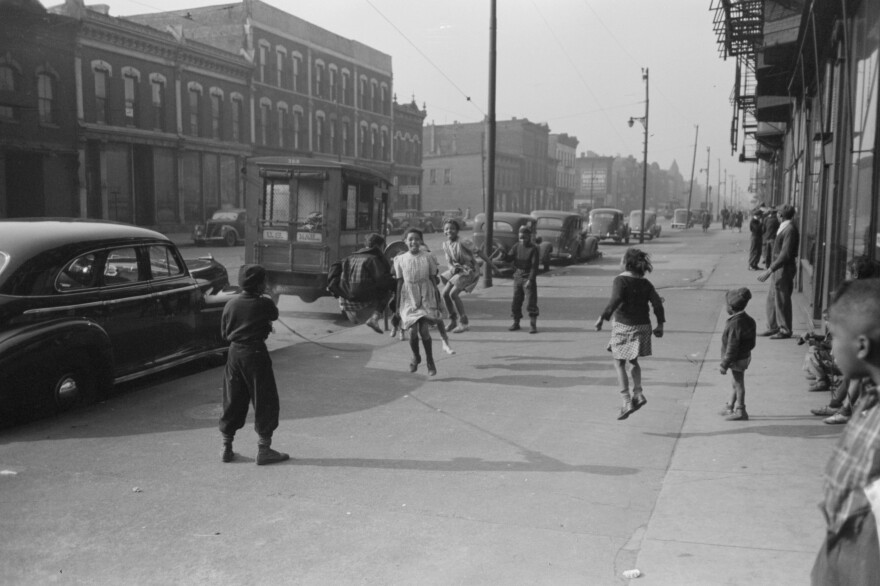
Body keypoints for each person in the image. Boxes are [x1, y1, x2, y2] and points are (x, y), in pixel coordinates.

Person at [811, 278, 880, 585]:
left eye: (835, 336)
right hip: (842, 552)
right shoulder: (868, 395)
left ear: (861, 346)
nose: (831, 346)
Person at [218, 264, 289, 465]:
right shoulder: (264, 303)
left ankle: (226, 446)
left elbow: (224, 334)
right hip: (255, 353)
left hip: (234, 354)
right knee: (264, 398)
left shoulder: (230, 304)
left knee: (233, 398)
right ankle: (264, 449)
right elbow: (274, 315)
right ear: (259, 284)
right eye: (264, 281)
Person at [595, 248, 665, 420]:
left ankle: (626, 401)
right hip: (643, 327)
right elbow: (657, 304)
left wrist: (602, 317)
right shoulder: (646, 283)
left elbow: (615, 300)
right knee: (633, 361)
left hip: (624, 326)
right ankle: (638, 393)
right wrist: (660, 324)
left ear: (626, 263)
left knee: (619, 363)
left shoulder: (620, 280)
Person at [393, 228, 451, 375]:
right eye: (410, 239)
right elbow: (399, 282)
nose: (414, 242)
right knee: (412, 331)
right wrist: (397, 307)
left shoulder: (428, 257)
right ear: (405, 241)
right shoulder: (400, 259)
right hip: (408, 297)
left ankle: (430, 361)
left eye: (417, 239)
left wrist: (438, 301)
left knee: (424, 331)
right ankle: (416, 357)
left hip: (426, 296)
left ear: (421, 241)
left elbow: (433, 279)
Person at [333, 233, 396, 334]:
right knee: (387, 289)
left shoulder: (349, 257)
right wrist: (396, 283)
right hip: (361, 303)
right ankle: (374, 318)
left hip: (345, 303)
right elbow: (383, 280)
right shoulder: (373, 259)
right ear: (378, 246)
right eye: (383, 246)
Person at [758, 204, 799, 339]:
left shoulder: (789, 230)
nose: (776, 215)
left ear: (780, 215)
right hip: (779, 268)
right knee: (773, 297)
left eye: (778, 213)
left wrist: (770, 269)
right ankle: (773, 326)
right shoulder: (786, 227)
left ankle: (785, 329)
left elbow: (785, 254)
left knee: (782, 298)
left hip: (784, 268)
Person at [440, 218, 486, 333]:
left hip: (469, 271)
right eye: (447, 229)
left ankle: (464, 323)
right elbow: (449, 262)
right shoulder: (446, 245)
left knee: (453, 294)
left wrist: (492, 265)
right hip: (458, 271)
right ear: (443, 231)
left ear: (457, 230)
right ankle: (452, 321)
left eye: (452, 229)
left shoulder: (463, 241)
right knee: (444, 294)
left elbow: (478, 252)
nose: (449, 231)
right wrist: (452, 268)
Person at [719, 287, 757, 421]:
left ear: (731, 307)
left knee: (739, 383)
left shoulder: (734, 324)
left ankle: (741, 410)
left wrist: (724, 364)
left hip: (736, 358)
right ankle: (730, 405)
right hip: (745, 356)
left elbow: (732, 347)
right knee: (735, 382)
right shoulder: (749, 320)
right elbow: (752, 343)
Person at [498, 225, 540, 334]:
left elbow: (534, 266)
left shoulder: (533, 249)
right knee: (516, 301)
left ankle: (532, 324)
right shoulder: (516, 246)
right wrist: (503, 253)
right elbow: (509, 258)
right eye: (521, 237)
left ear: (529, 237)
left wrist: (530, 280)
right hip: (517, 276)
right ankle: (516, 322)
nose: (522, 240)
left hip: (528, 277)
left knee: (531, 301)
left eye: (524, 237)